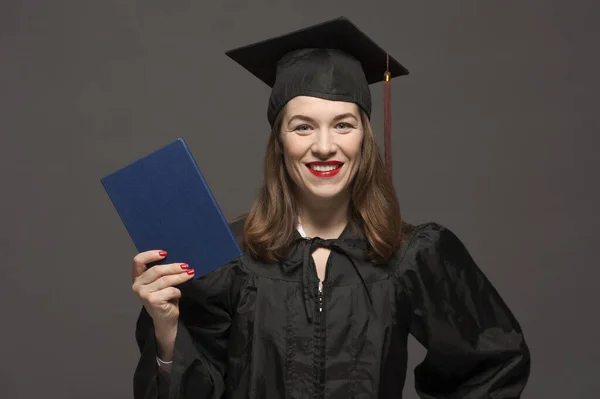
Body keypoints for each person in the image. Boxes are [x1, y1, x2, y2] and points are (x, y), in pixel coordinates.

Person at [130, 17, 531, 399]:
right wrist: (166, 331)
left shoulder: (412, 254)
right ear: (280, 143)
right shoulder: (227, 259)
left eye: (343, 124)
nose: (324, 146)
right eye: (303, 126)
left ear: (364, 139)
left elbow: (491, 366)